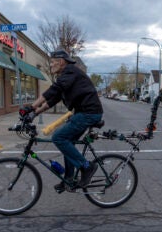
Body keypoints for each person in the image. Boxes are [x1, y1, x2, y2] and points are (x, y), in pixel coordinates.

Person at [20, 49, 103, 192]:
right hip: (84, 113)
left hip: (89, 113)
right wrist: (35, 112)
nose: (51, 65)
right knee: (67, 142)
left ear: (61, 61)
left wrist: (32, 106)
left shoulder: (70, 72)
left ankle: (87, 167)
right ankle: (69, 179)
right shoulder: (66, 77)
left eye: (52, 62)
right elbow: (53, 98)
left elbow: (53, 90)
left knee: (59, 137)